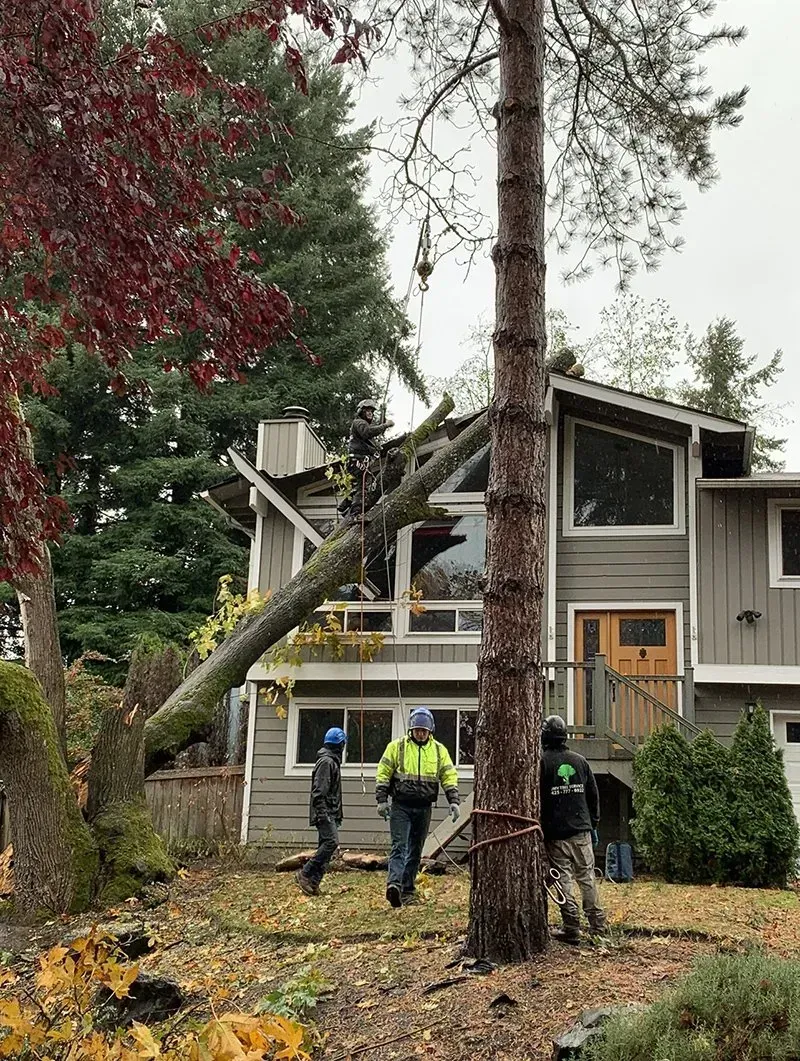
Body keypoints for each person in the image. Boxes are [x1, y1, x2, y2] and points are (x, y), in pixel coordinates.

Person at [375, 708, 460, 908]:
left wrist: (454, 801)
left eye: (423, 730)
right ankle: (394, 885)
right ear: (410, 730)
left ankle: (408, 890)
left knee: (416, 850)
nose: (420, 733)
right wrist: (381, 800)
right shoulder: (397, 747)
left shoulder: (439, 751)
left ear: (430, 731)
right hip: (401, 806)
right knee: (400, 846)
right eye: (417, 730)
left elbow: (448, 776)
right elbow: (384, 772)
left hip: (424, 807)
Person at [540, 714, 607, 942]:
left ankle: (571, 927)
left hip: (556, 834)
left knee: (563, 879)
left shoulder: (541, 763)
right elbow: (593, 796)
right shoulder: (580, 761)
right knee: (587, 877)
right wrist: (593, 824)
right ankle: (597, 926)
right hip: (582, 832)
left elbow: (536, 800)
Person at [296, 726, 347, 896]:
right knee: (331, 843)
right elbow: (319, 792)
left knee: (325, 847)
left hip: (329, 811)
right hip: (325, 812)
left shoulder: (330, 761)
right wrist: (324, 814)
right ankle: (306, 873)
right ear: (340, 744)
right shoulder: (327, 762)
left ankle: (313, 883)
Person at [337, 398, 394, 519]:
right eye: (367, 410)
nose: (370, 413)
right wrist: (385, 425)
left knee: (360, 486)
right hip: (358, 460)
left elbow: (370, 441)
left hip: (359, 461)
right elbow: (367, 432)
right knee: (362, 487)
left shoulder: (363, 427)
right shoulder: (359, 423)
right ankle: (356, 514)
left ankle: (344, 506)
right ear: (361, 411)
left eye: (372, 411)